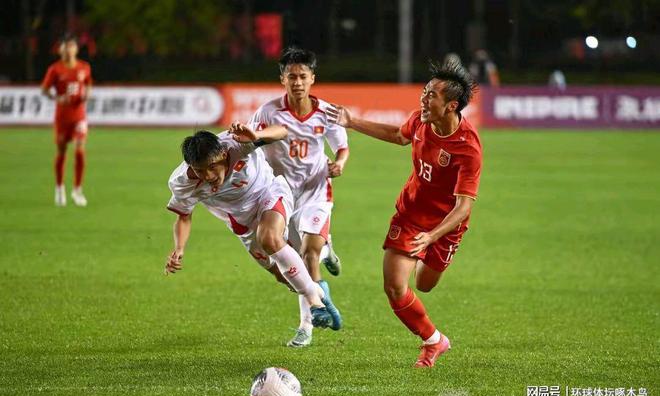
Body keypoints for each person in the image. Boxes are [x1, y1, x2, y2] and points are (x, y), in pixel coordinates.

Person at [326, 60, 482, 368]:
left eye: (432, 95)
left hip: (446, 227)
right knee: (395, 286)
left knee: (424, 285)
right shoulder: (421, 121)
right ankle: (434, 340)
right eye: (425, 91)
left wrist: (432, 237)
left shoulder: (468, 148)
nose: (423, 99)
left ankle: (426, 258)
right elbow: (398, 135)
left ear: (451, 105)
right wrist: (352, 121)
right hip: (410, 216)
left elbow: (464, 206)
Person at [164, 123, 342, 334]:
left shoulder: (236, 143)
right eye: (199, 170)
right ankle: (320, 278)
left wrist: (256, 135)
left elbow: (282, 131)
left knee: (269, 238)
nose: (208, 176)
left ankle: (315, 303)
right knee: (283, 277)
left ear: (223, 153)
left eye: (212, 167)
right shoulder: (182, 183)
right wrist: (179, 248)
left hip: (269, 193)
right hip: (242, 223)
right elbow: (184, 216)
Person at [248, 47, 349, 348]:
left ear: (312, 78)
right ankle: (327, 252)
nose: (298, 82)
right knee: (297, 262)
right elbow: (250, 141)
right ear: (282, 79)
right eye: (291, 76)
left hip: (316, 191)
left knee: (308, 254)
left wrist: (339, 164)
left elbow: (341, 147)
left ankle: (307, 326)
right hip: (281, 195)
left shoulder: (326, 112)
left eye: (303, 76)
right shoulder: (268, 112)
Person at [41, 35, 92, 207]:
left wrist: (87, 94)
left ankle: (77, 190)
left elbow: (88, 84)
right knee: (62, 152)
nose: (68, 50)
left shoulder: (84, 67)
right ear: (60, 50)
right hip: (62, 117)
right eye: (65, 46)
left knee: (80, 149)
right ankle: (59, 187)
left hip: (79, 116)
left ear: (76, 49)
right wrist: (57, 97)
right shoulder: (55, 69)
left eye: (71, 46)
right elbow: (44, 89)